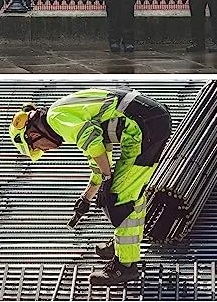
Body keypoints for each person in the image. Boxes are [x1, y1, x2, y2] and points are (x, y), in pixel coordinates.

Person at [9, 88, 172, 287]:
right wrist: (87, 197)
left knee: (120, 198)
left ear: (33, 134)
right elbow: (99, 156)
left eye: (39, 147)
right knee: (130, 193)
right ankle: (124, 247)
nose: (45, 150)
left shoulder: (56, 119)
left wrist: (107, 179)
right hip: (149, 122)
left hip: (144, 126)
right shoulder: (63, 115)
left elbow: (94, 146)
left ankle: (125, 267)